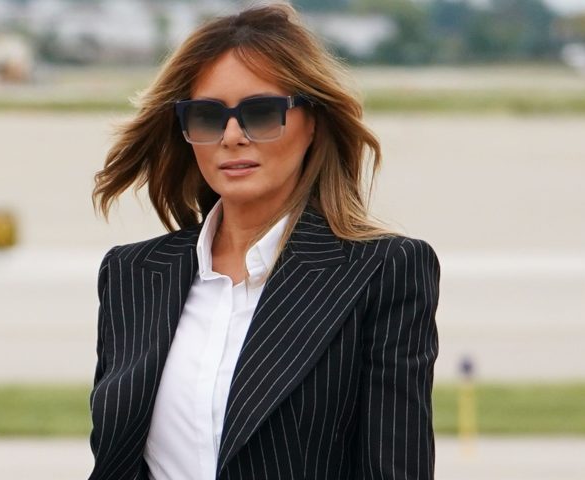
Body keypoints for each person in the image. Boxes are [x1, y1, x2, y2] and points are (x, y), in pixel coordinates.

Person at [88, 4, 440, 480]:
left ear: (312, 121)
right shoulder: (132, 274)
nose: (232, 136)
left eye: (260, 113)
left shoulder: (383, 270)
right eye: (208, 117)